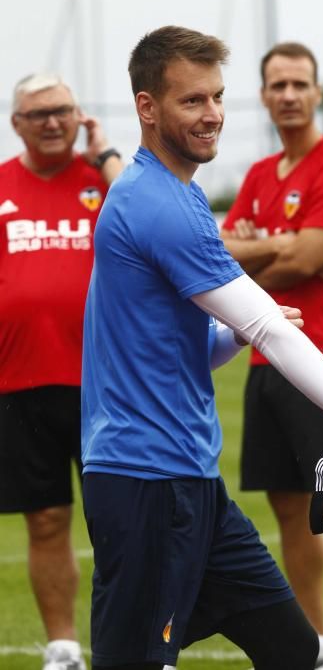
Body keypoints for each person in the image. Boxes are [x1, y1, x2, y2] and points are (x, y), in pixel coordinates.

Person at [80, 25, 323, 670]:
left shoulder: (180, 193)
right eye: (192, 101)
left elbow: (187, 346)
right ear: (147, 107)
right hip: (146, 481)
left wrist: (229, 331)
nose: (213, 115)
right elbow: (271, 331)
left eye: (218, 97)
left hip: (189, 478)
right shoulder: (156, 202)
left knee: (291, 644)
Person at [219, 41, 323, 668]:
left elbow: (307, 261)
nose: (288, 95)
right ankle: (314, 644)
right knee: (289, 507)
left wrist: (260, 249)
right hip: (265, 358)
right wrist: (276, 247)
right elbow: (218, 252)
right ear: (262, 95)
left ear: (317, 92)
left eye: (299, 84)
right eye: (277, 85)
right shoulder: (261, 175)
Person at [0, 73, 124, 670]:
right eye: (38, 113)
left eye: (62, 111)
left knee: (119, 520)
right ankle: (63, 649)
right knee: (45, 519)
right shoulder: (1, 186)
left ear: (81, 117)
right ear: (17, 123)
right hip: (18, 383)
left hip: (107, 383)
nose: (52, 122)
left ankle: (130, 642)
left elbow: (159, 218)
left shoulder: (108, 184)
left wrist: (106, 157)